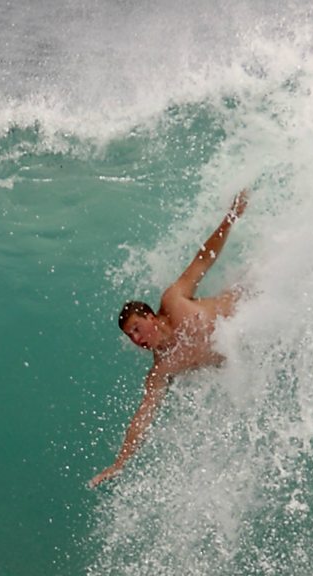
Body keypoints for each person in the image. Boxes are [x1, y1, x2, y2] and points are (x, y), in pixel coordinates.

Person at [89, 189, 249, 488]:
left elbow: (203, 260)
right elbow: (142, 417)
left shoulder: (174, 301)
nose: (135, 338)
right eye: (130, 335)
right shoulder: (162, 368)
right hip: (253, 348)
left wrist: (230, 218)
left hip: (252, 301)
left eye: (137, 328)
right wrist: (120, 463)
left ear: (151, 317)